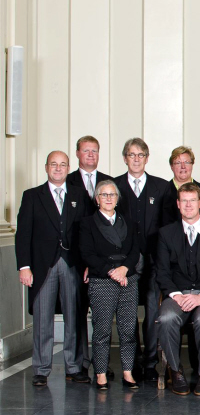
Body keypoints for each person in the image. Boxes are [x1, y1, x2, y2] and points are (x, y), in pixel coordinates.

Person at [16, 151, 91, 386]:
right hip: (42, 266)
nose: (58, 168)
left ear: (69, 167)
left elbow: (87, 233)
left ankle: (74, 366)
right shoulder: (32, 196)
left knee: (74, 316)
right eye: (53, 164)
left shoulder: (80, 195)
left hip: (72, 264)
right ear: (46, 167)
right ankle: (40, 369)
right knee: (42, 319)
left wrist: (88, 264)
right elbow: (23, 234)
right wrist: (24, 267)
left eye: (62, 165)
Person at [156, 183, 200, 396]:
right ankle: (176, 372)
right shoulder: (165, 233)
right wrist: (177, 295)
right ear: (178, 204)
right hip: (177, 294)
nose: (188, 205)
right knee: (167, 318)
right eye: (184, 201)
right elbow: (162, 272)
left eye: (192, 200)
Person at [113, 137, 170, 381]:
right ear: (125, 158)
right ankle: (132, 361)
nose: (136, 159)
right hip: (124, 260)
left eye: (141, 155)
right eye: (132, 154)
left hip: (155, 259)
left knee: (151, 310)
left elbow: (168, 225)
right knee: (127, 312)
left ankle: (149, 363)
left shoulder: (161, 187)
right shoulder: (113, 186)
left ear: (147, 158)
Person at [79, 180, 140, 390]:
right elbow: (87, 253)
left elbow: (134, 252)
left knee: (128, 330)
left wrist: (124, 269)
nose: (108, 198)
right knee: (102, 331)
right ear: (97, 200)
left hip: (128, 281)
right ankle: (101, 374)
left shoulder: (129, 223)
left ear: (117, 199)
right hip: (102, 281)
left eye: (112, 195)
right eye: (104, 195)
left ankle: (128, 372)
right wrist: (112, 271)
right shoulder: (87, 223)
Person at [66, 135, 113, 374]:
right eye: (86, 151)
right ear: (77, 154)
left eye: (94, 151)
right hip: (73, 259)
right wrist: (84, 262)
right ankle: (80, 364)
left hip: (101, 262)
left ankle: (101, 364)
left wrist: (97, 263)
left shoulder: (108, 182)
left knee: (102, 315)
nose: (91, 155)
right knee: (78, 311)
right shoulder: (67, 180)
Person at [163, 146, 200, 225]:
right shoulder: (162, 191)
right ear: (171, 166)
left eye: (187, 162)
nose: (183, 167)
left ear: (192, 164)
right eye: (178, 163)